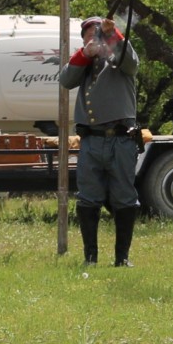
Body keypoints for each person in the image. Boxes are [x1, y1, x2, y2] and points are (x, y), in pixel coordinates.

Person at [59, 15, 141, 267]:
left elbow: (132, 63)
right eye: (88, 36)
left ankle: (122, 258)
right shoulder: (83, 63)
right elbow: (65, 80)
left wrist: (113, 34)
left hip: (120, 140)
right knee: (88, 199)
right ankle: (90, 258)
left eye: (97, 35)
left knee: (125, 199)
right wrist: (85, 53)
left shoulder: (119, 57)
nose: (94, 40)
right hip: (91, 141)